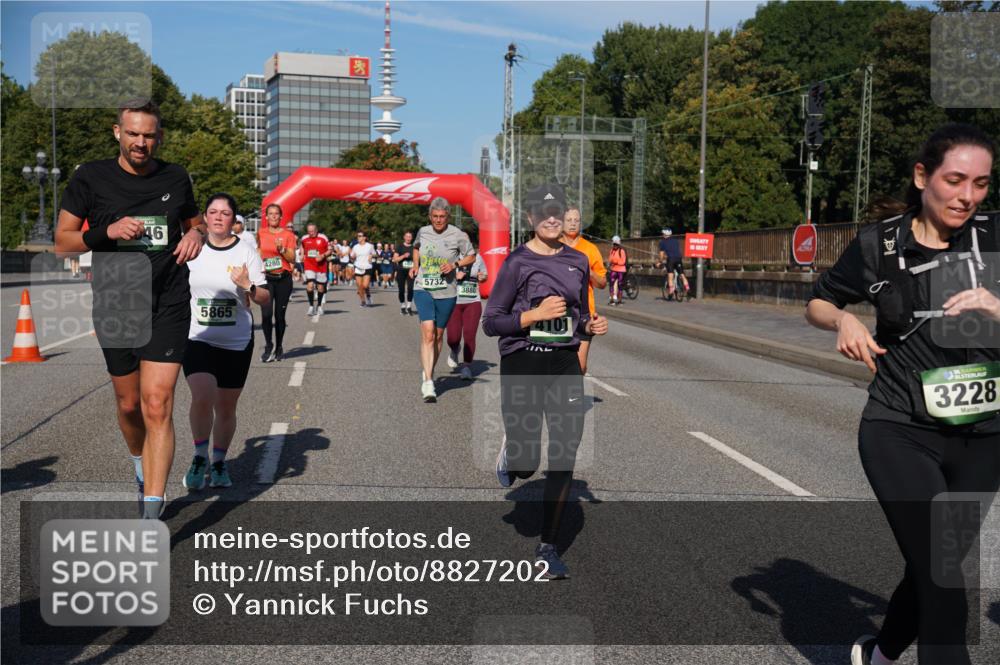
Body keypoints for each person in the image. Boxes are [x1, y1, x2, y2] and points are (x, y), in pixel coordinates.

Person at [805, 124, 1000, 665]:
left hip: (983, 436)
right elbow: (818, 302)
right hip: (900, 428)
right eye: (955, 180)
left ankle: (881, 654)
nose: (967, 196)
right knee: (944, 577)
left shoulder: (996, 236)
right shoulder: (879, 244)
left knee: (934, 565)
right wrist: (842, 319)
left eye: (981, 184)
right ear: (922, 176)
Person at [54, 99, 206, 519]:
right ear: (117, 132)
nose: (142, 142)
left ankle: (151, 514)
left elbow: (194, 222)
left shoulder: (175, 176)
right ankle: (141, 466)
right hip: (117, 303)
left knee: (157, 403)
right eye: (134, 134)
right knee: (129, 406)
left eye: (150, 135)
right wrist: (107, 231)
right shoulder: (90, 177)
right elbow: (62, 241)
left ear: (159, 137)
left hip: (168, 302)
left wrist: (197, 236)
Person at [483, 182, 608, 579]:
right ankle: (512, 454)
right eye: (543, 211)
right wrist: (532, 316)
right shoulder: (517, 262)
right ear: (530, 218)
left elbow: (577, 314)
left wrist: (590, 324)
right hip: (523, 361)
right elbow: (492, 322)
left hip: (563, 366)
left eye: (558, 211)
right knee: (526, 463)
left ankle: (548, 548)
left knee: (564, 455)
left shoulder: (578, 260)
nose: (552, 218)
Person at [182, 193, 269, 490]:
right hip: (198, 337)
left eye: (226, 213)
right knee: (202, 395)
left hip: (236, 341)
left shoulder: (245, 252)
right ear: (205, 217)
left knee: (226, 407)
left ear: (234, 220)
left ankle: (219, 462)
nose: (219, 217)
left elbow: (264, 297)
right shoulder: (193, 249)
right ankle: (198, 456)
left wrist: (248, 285)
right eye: (213, 212)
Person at [410, 198, 475, 402]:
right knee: (428, 332)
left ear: (448, 216)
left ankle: (429, 369)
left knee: (438, 336)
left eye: (442, 217)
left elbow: (471, 256)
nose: (438, 220)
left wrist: (454, 264)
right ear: (430, 216)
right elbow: (417, 247)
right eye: (435, 216)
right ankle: (429, 382)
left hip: (447, 291)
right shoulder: (423, 231)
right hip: (423, 287)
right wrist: (415, 265)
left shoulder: (458, 234)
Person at [562, 207, 607, 375]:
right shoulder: (552, 246)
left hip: (583, 314)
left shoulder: (590, 249)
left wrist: (588, 270)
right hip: (557, 312)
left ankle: (570, 398)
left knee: (579, 367)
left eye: (576, 220)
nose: (573, 224)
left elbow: (602, 283)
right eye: (569, 220)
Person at [257, 203, 296, 362]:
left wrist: (282, 250)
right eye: (270, 214)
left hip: (283, 279)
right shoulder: (261, 232)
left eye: (276, 214)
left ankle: (279, 346)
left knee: (279, 316)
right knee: (266, 315)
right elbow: (259, 252)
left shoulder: (288, 235)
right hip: (266, 278)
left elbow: (292, 258)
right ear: (266, 217)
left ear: (280, 217)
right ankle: (268, 345)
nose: (273, 216)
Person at [446, 250, 487, 381]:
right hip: (453, 301)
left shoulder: (478, 257)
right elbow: (439, 275)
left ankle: (466, 367)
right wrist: (453, 275)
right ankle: (454, 349)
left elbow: (485, 276)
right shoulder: (450, 256)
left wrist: (482, 277)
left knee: (469, 335)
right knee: (453, 337)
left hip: (473, 301)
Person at [300, 223, 331, 316]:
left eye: (312, 231)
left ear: (316, 230)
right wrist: (302, 254)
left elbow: (330, 250)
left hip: (321, 266)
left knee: (320, 288)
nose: (311, 233)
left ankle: (319, 306)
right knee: (310, 286)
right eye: (309, 231)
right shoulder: (304, 238)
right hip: (309, 265)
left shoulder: (323, 238)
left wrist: (323, 255)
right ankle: (311, 306)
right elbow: (302, 246)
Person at [658, 228, 689, 299]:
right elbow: (674, 250)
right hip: (679, 258)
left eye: (663, 234)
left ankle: (671, 291)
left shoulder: (662, 242)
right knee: (682, 274)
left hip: (671, 260)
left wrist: (660, 262)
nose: (662, 235)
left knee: (670, 276)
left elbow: (661, 254)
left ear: (665, 234)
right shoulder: (676, 241)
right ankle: (687, 288)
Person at [350, 230, 376, 306]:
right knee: (360, 286)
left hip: (367, 267)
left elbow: (375, 254)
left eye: (360, 236)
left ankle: (368, 295)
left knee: (365, 285)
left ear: (364, 237)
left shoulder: (370, 246)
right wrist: (352, 257)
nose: (358, 237)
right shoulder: (355, 247)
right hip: (358, 267)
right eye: (357, 236)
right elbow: (352, 257)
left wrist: (371, 256)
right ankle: (363, 301)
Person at [394, 230, 416, 315]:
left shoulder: (414, 247)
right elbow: (395, 259)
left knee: (411, 288)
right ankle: (403, 305)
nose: (408, 238)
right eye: (407, 236)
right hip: (401, 270)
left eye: (410, 237)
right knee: (401, 289)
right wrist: (403, 256)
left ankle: (409, 306)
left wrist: (414, 267)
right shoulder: (399, 247)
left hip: (411, 270)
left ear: (412, 238)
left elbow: (417, 260)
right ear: (404, 237)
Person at [607, 236, 627, 306]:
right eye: (614, 244)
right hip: (613, 269)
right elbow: (610, 259)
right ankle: (612, 300)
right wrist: (609, 264)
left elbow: (623, 261)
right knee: (611, 284)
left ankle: (619, 300)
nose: (614, 246)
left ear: (618, 244)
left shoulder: (622, 251)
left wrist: (615, 261)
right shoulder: (612, 250)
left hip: (621, 270)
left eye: (616, 244)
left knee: (620, 285)